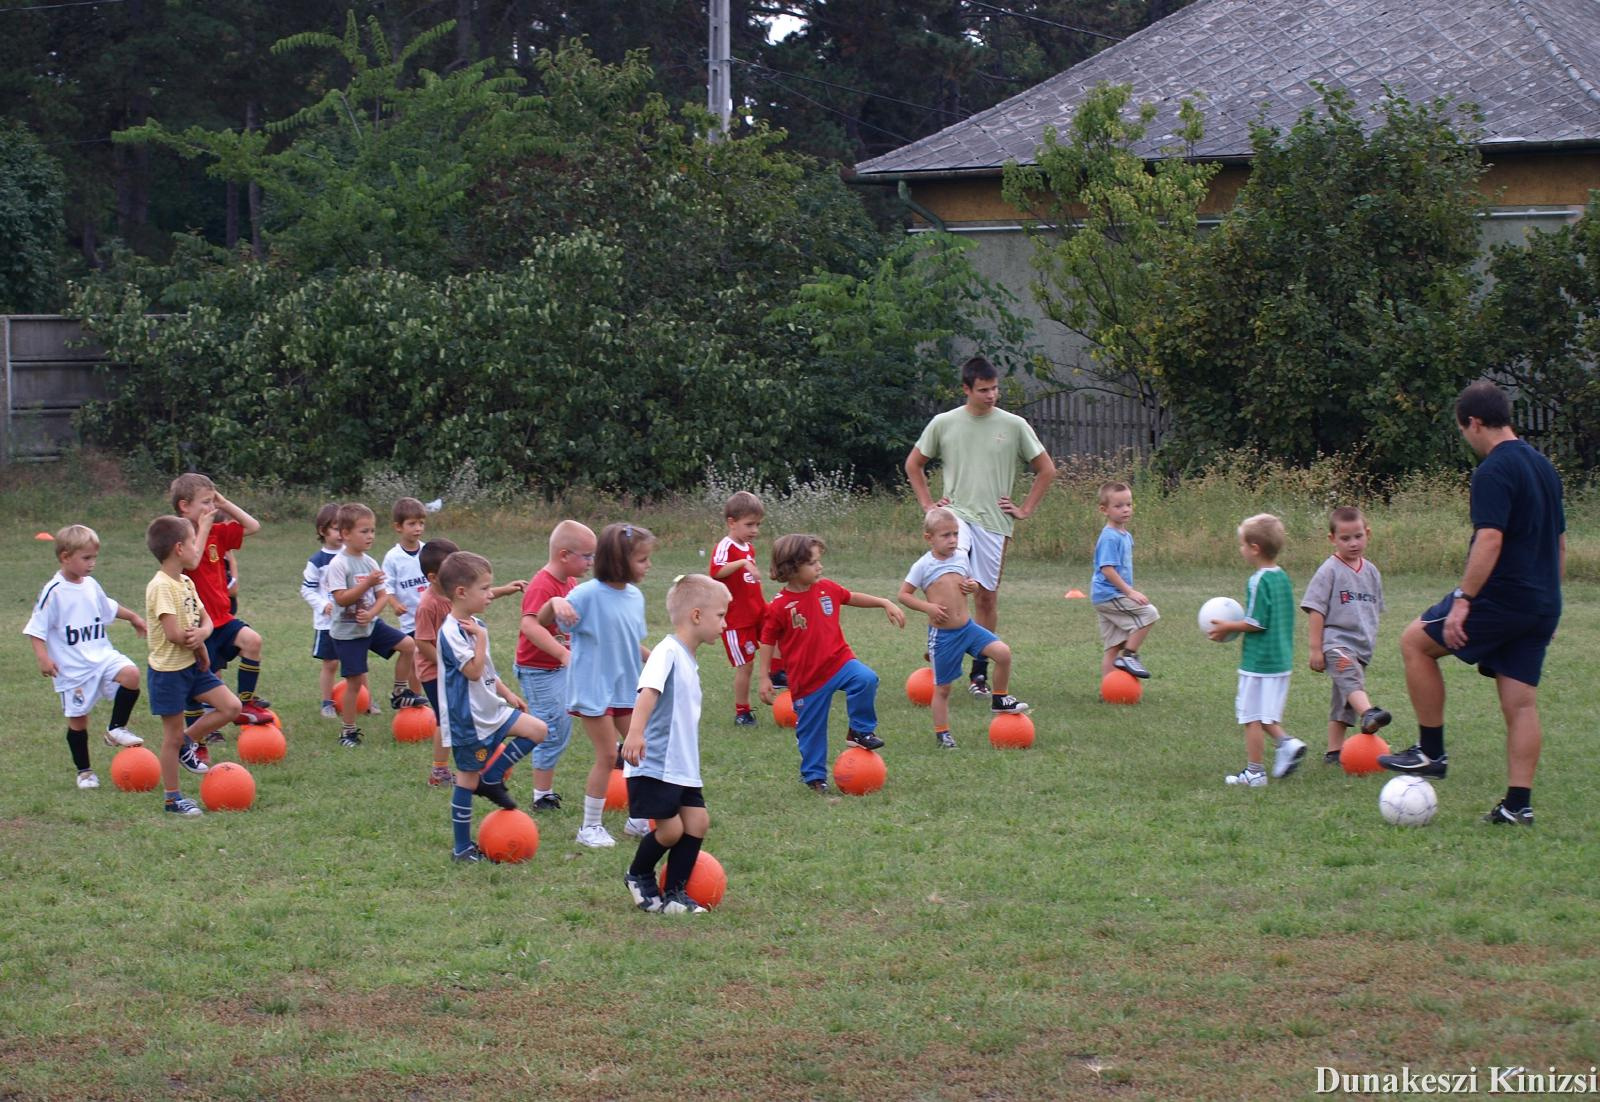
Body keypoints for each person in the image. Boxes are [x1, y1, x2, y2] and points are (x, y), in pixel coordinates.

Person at [1379, 382, 1565, 826]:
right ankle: (1518, 805)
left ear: (1475, 422)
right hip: (1540, 601)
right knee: (1520, 703)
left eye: (1464, 430)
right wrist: (1550, 601)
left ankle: (1431, 751)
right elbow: (1558, 542)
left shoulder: (1493, 471)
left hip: (1501, 596)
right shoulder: (1543, 467)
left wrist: (1463, 600)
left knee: (1414, 643)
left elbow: (1490, 538)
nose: (1466, 438)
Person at [905, 355, 1056, 696]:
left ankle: (979, 673)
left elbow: (1046, 469)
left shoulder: (1014, 425)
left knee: (986, 597)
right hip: (956, 514)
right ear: (966, 389)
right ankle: (941, 645)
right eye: (984, 390)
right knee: (949, 578)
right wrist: (928, 504)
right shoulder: (944, 422)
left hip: (994, 522)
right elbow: (914, 464)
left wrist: (1025, 509)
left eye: (995, 389)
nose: (992, 395)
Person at [757, 533, 906, 792]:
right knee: (811, 731)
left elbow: (852, 597)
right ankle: (815, 778)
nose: (820, 567)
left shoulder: (827, 588)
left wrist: (883, 602)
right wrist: (764, 676)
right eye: (813, 563)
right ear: (792, 567)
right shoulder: (780, 606)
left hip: (839, 662)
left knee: (866, 679)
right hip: (807, 679)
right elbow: (767, 640)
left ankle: (860, 731)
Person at [539, 523, 655, 848]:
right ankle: (589, 828)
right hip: (593, 689)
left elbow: (630, 642)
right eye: (643, 559)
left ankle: (638, 819)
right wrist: (556, 603)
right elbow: (544, 619)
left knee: (639, 753)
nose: (649, 566)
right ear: (620, 560)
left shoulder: (635, 597)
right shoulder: (585, 595)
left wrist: (659, 659)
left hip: (624, 688)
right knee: (607, 755)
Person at [621, 573, 730, 914]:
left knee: (697, 823)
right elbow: (648, 691)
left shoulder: (687, 657)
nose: (725, 625)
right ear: (696, 615)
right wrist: (635, 733)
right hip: (654, 764)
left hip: (682, 766)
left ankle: (676, 894)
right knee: (670, 831)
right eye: (721, 616)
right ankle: (638, 874)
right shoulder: (666, 652)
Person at [434, 551, 548, 862]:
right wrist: (482, 639)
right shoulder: (451, 632)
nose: (490, 595)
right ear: (461, 592)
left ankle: (494, 777)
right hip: (469, 720)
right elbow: (471, 669)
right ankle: (462, 849)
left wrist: (507, 692)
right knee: (467, 779)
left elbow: (485, 672)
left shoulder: (475, 622)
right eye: (484, 589)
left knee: (538, 730)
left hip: (492, 708)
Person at [24, 524, 149, 790]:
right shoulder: (54, 591)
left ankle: (116, 729)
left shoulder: (91, 584)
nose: (92, 564)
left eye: (94, 557)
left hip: (101, 656)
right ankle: (85, 772)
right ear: (65, 557)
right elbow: (37, 628)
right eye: (86, 558)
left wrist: (134, 617)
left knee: (131, 674)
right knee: (79, 720)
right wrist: (42, 658)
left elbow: (109, 607)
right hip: (73, 668)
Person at [898, 507, 1030, 750]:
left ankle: (1000, 698)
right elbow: (904, 595)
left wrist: (973, 586)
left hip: (968, 629)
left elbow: (973, 585)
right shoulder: (923, 565)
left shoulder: (960, 557)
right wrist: (928, 608)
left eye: (956, 534)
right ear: (929, 538)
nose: (953, 540)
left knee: (1003, 653)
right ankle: (943, 734)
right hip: (944, 636)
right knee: (943, 688)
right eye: (946, 535)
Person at [143, 515, 242, 815]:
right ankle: (173, 799)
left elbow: (205, 618)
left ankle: (189, 741)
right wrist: (199, 642)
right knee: (170, 737)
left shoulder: (186, 581)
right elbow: (173, 633)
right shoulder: (160, 586)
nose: (196, 549)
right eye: (191, 542)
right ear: (178, 548)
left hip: (194, 667)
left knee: (231, 707)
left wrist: (203, 633)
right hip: (168, 673)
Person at [1207, 514, 1307, 787]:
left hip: (1259, 662)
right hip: (1281, 660)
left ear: (1254, 548)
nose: (1240, 550)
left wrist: (1227, 625)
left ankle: (1254, 772)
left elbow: (1256, 622)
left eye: (1242, 544)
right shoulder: (1282, 577)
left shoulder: (1258, 581)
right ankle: (1287, 744)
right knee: (1264, 715)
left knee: (1250, 716)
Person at [170, 474, 274, 735]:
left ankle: (246, 703)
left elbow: (253, 526)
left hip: (223, 618)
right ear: (185, 506)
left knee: (253, 641)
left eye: (212, 501)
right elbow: (191, 562)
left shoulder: (217, 532)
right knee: (199, 684)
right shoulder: (177, 537)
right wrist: (204, 527)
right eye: (205, 502)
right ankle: (195, 741)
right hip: (196, 625)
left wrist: (225, 503)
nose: (211, 508)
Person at [513, 520, 597, 812]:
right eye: (586, 556)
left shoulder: (570, 583)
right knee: (552, 729)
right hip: (539, 671)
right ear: (564, 555)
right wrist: (562, 654)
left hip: (561, 668)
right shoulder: (543, 584)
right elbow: (529, 625)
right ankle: (542, 795)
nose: (591, 562)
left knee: (597, 704)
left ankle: (619, 752)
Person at [324, 502, 423, 747]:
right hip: (347, 633)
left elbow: (382, 596)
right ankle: (348, 732)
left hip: (370, 625)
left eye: (372, 531)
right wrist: (365, 585)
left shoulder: (370, 562)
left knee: (409, 645)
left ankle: (399, 693)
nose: (370, 536)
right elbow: (341, 598)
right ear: (346, 534)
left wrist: (372, 614)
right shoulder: (339, 564)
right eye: (364, 531)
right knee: (355, 682)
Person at [1301, 506, 1390, 765]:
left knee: (1343, 697)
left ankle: (1334, 752)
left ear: (1367, 534)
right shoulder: (1329, 570)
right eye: (1345, 538)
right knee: (1350, 681)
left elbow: (1374, 608)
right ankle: (1370, 713)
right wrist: (1316, 649)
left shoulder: (1371, 571)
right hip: (1336, 644)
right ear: (1332, 539)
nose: (1353, 543)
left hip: (1361, 647)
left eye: (1358, 536)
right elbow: (1316, 609)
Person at [710, 491, 770, 726]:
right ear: (731, 523)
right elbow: (716, 572)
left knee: (777, 638)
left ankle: (776, 673)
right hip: (737, 620)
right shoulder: (726, 546)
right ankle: (742, 711)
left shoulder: (748, 547)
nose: (754, 530)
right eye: (749, 525)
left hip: (757, 612)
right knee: (746, 665)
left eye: (758, 525)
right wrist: (743, 562)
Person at [1091, 480, 1159, 680]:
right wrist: (1129, 592)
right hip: (1109, 595)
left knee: (1113, 646)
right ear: (1104, 510)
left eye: (1128, 504)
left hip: (1108, 596)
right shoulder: (1110, 537)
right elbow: (1107, 569)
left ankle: (1108, 689)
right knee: (1149, 614)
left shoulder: (1125, 535)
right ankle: (1129, 656)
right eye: (1118, 506)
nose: (1125, 510)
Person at [412, 537, 461, 786]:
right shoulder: (428, 605)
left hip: (454, 668)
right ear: (433, 577)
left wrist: (506, 589)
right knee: (446, 720)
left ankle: (469, 760)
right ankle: (439, 773)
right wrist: (447, 665)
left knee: (459, 716)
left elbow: (480, 595)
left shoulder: (454, 593)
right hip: (434, 671)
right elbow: (422, 643)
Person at [381, 496, 431, 712]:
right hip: (411, 620)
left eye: (421, 523)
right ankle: (415, 697)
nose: (418, 528)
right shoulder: (393, 557)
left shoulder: (428, 551)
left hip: (433, 617)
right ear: (398, 527)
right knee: (415, 661)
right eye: (412, 524)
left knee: (435, 658)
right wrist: (394, 603)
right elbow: (386, 587)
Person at [301, 503, 345, 720]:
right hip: (327, 623)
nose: (341, 533)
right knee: (331, 662)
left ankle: (365, 700)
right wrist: (323, 605)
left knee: (356, 662)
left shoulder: (351, 556)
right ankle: (327, 702)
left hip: (350, 621)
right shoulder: (317, 561)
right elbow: (306, 589)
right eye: (336, 528)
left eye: (345, 528)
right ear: (322, 530)